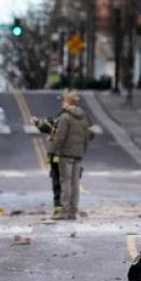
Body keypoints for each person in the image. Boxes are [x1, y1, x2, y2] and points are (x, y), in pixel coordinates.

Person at [51, 91, 91, 220]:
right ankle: (73, 210)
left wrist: (53, 150)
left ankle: (65, 210)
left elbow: (60, 137)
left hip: (66, 154)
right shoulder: (83, 117)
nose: (62, 103)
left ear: (68, 103)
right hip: (78, 154)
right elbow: (87, 136)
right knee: (75, 183)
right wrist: (82, 150)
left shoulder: (65, 117)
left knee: (65, 182)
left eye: (64, 101)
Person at [29, 114, 61, 214]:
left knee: (60, 183)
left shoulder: (62, 122)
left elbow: (47, 128)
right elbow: (46, 128)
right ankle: (61, 206)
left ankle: (61, 206)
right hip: (61, 158)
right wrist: (37, 122)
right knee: (60, 182)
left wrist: (38, 123)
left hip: (62, 157)